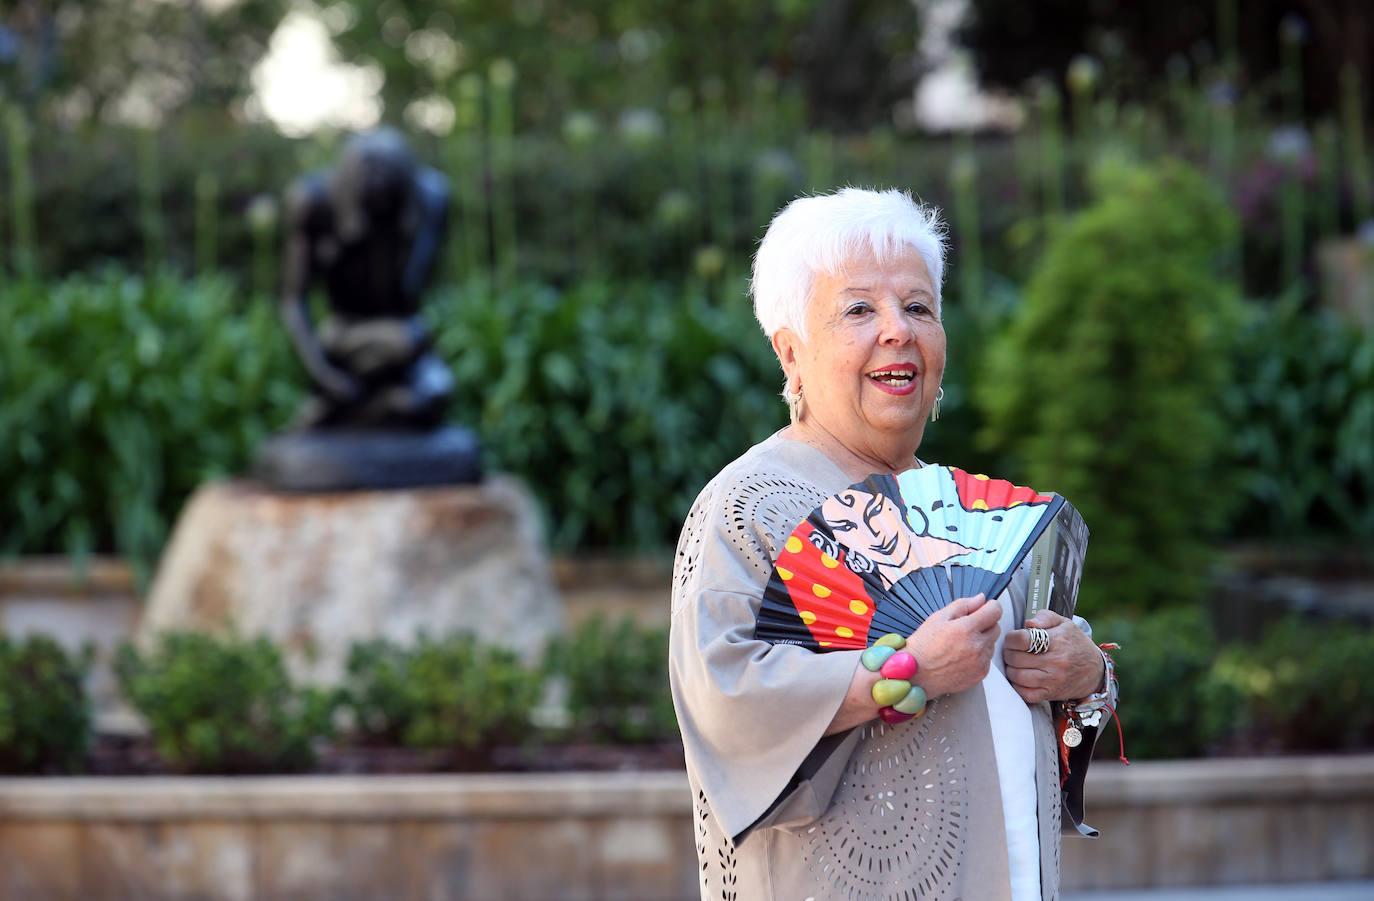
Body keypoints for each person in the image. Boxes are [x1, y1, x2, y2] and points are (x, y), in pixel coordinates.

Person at [669, 188, 1118, 900]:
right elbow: (727, 701)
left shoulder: (968, 509)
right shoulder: (750, 503)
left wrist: (1082, 673)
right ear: (791, 351)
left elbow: (1032, 702)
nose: (897, 331)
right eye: (858, 310)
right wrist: (906, 671)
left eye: (918, 307)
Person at [279, 127, 454, 430]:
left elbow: (412, 287)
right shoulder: (314, 201)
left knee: (431, 388)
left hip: (404, 336)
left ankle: (363, 409)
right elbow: (294, 300)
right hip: (343, 336)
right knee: (390, 347)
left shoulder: (432, 197)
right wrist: (322, 375)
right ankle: (357, 404)